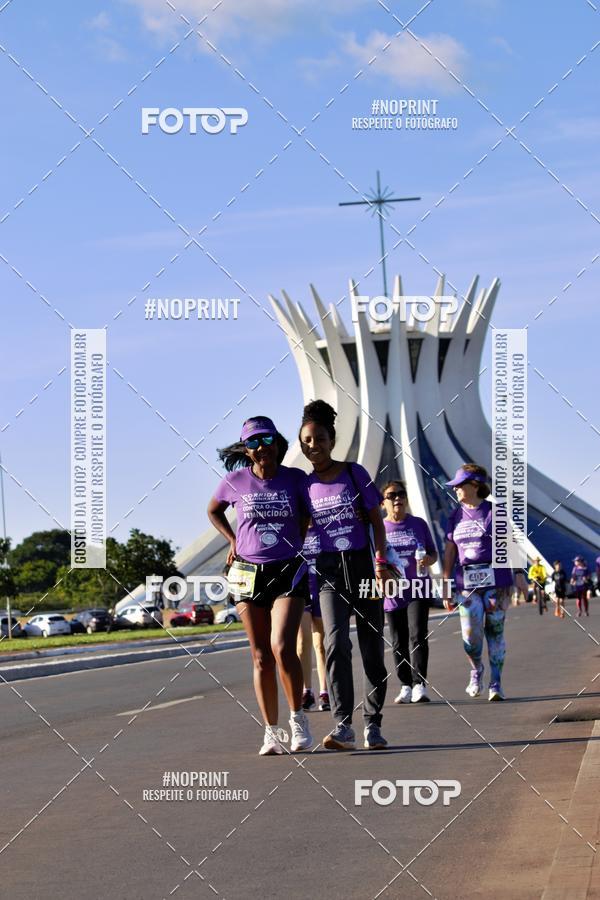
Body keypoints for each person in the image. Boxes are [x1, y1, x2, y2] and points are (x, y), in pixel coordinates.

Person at [207, 415, 313, 756]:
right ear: (246, 449)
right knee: (260, 656)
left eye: (267, 440)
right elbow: (213, 510)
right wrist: (232, 539)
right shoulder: (234, 481)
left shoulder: (295, 479)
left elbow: (307, 516)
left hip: (288, 570)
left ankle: (298, 719)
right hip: (247, 573)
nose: (261, 447)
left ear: (277, 443)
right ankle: (271, 731)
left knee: (282, 646)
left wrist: (297, 538)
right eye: (253, 443)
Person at [299, 400, 395, 751]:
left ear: (332, 439)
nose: (314, 446)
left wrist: (381, 561)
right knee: (334, 642)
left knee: (371, 651)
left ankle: (373, 722)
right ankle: (342, 725)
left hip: (363, 568)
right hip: (327, 573)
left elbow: (376, 521)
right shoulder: (304, 486)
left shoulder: (354, 474)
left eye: (319, 438)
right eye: (307, 441)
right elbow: (298, 530)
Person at [442, 464, 528, 702]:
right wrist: (446, 582)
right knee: (470, 636)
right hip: (466, 581)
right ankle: (476, 669)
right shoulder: (455, 515)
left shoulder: (495, 512)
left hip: (496, 580)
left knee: (496, 630)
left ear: (475, 485)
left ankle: (496, 682)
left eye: (460, 484)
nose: (456, 489)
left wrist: (519, 573)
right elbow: (449, 550)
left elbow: (511, 543)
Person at [380, 480, 438, 704]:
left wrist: (427, 560)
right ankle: (405, 684)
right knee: (398, 640)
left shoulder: (418, 524)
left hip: (417, 586)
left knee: (417, 634)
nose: (397, 499)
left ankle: (419, 684)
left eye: (401, 494)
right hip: (392, 590)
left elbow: (433, 553)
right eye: (392, 495)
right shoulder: (380, 527)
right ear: (384, 502)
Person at [297, 526, 329, 712]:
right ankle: (306, 691)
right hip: (302, 590)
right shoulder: (294, 528)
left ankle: (324, 692)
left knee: (321, 644)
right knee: (302, 643)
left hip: (323, 589)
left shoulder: (322, 528)